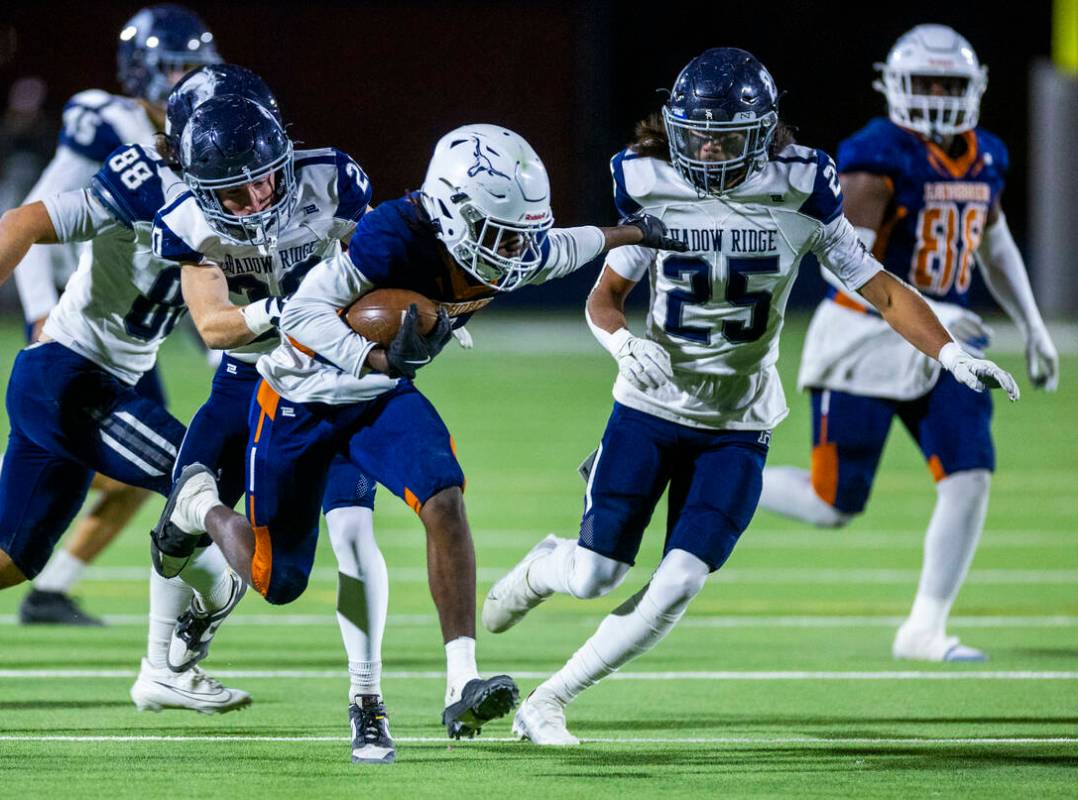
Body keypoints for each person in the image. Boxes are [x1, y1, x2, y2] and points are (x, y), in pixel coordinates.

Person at [482, 47, 1020, 746]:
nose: (706, 148)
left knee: (678, 583)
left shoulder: (803, 192)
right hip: (650, 407)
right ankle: (545, 565)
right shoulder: (651, 183)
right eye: (695, 131)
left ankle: (550, 699)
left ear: (764, 134)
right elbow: (605, 299)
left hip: (740, 420)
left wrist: (948, 353)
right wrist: (622, 345)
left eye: (725, 136)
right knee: (594, 574)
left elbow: (882, 289)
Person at [151, 122, 687, 747]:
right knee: (278, 580)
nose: (512, 250)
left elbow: (562, 246)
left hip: (378, 398)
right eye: (500, 234)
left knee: (444, 496)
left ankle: (463, 681)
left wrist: (635, 232)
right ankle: (201, 505)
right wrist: (375, 357)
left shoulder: (515, 248)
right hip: (298, 397)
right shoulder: (391, 236)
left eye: (520, 234)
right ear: (454, 210)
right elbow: (299, 315)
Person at [0, 92, 252, 713]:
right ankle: (162, 666)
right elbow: (19, 222)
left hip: (80, 382)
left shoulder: (225, 206)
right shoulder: (142, 186)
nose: (251, 175)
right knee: (196, 483)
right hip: (71, 377)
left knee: (4, 561)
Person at [757, 24, 1059, 662]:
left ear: (974, 86)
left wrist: (1033, 323)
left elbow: (992, 242)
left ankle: (925, 626)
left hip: (946, 343)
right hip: (867, 341)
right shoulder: (876, 154)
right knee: (831, 502)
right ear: (895, 85)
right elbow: (846, 264)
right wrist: (942, 310)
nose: (939, 94)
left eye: (949, 83)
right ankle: (721, 479)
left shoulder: (987, 155)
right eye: (926, 82)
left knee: (970, 475)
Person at [0, 3, 221, 626]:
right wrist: (40, 309)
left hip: (138, 318)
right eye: (173, 67)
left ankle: (49, 584)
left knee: (138, 473)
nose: (183, 81)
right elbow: (32, 213)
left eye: (193, 68)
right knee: (161, 468)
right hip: (79, 318)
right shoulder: (106, 121)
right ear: (141, 70)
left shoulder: (201, 143)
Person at [143, 85, 395, 763]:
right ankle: (199, 592)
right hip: (245, 381)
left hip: (330, 382)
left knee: (351, 527)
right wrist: (291, 310)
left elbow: (381, 267)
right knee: (171, 542)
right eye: (234, 193)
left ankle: (367, 701)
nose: (256, 200)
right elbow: (214, 327)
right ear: (201, 190)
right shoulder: (188, 222)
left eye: (263, 180)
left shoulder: (332, 178)